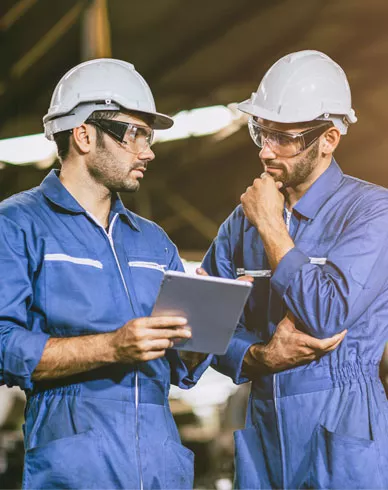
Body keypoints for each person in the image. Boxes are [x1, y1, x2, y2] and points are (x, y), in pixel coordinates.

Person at [201, 50, 388, 489]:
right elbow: (203, 327)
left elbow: (326, 315)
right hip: (265, 423)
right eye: (260, 131)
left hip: (344, 422)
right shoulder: (239, 221)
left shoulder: (372, 213)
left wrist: (269, 224)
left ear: (329, 139)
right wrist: (255, 357)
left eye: (283, 137)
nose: (265, 150)